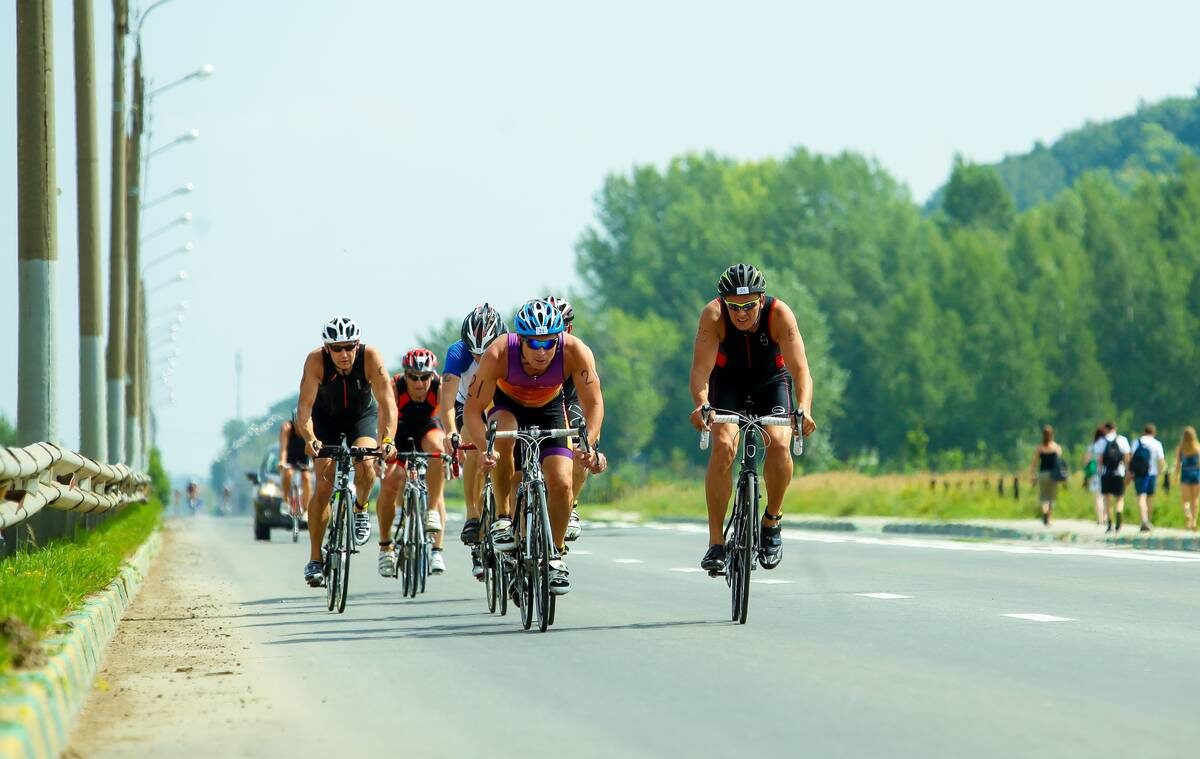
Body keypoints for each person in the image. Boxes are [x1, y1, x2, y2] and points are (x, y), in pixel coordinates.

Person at [465, 299, 608, 596]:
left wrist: (589, 445)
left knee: (562, 480)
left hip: (549, 408)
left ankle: (554, 556)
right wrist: (485, 448)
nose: (542, 352)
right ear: (521, 341)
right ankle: (503, 518)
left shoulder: (574, 351)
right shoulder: (500, 352)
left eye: (548, 343)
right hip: (507, 406)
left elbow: (594, 403)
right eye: (534, 344)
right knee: (504, 435)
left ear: (558, 338)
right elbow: (473, 409)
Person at [688, 264, 816, 573]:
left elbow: (801, 371)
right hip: (728, 383)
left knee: (780, 444)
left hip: (771, 382)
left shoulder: (779, 314)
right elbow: (701, 371)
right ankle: (716, 542)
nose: (741, 313)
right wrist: (702, 404)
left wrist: (805, 409)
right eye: (734, 306)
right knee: (723, 447)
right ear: (725, 303)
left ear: (761, 300)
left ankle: (771, 520)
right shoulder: (713, 316)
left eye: (748, 305)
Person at [296, 316, 397, 587]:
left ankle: (361, 508)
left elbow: (388, 403)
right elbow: (304, 408)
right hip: (324, 419)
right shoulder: (315, 361)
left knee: (365, 463)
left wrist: (388, 438)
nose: (344, 354)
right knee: (324, 486)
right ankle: (316, 558)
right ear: (327, 348)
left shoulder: (370, 357)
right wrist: (310, 438)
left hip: (360, 418)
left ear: (357, 344)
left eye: (349, 347)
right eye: (337, 348)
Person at [440, 303, 507, 578]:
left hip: (499, 403)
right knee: (471, 441)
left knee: (507, 447)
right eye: (475, 352)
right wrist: (449, 431)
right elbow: (446, 403)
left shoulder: (509, 348)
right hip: (466, 404)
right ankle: (473, 514)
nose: (480, 358)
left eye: (485, 351)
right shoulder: (457, 353)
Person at [377, 349, 449, 577]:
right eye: (414, 377)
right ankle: (386, 547)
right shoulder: (394, 386)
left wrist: (452, 447)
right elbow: (384, 418)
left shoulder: (440, 386)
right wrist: (384, 445)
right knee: (391, 481)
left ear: (432, 375)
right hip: (399, 430)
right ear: (405, 375)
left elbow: (448, 417)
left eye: (425, 377)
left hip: (428, 427)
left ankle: (436, 546)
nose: (420, 383)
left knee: (437, 451)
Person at [546, 295, 586, 542]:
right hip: (536, 403)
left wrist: (590, 438)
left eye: (559, 325)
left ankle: (571, 505)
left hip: (567, 401)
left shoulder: (575, 350)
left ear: (569, 328)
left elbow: (591, 398)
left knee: (582, 443)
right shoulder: (530, 347)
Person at [1093, 421, 1131, 533]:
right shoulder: (1122, 440)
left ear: (1105, 429)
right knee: (1120, 497)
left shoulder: (1101, 442)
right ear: (1115, 428)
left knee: (1107, 499)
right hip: (1119, 473)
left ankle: (1110, 523)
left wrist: (1100, 472)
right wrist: (1127, 471)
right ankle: (1119, 513)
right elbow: (1127, 457)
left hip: (1106, 473)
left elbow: (1099, 460)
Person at [1129, 423, 1167, 532]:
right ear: (1154, 433)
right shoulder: (1157, 443)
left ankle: (1144, 520)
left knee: (1141, 496)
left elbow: (1131, 458)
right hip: (1152, 473)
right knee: (1150, 497)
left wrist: (1130, 472)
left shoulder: (1137, 442)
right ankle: (1149, 521)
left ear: (1144, 431)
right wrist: (1161, 472)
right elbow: (1161, 461)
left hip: (1139, 473)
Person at [278, 409, 314, 520]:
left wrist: (314, 463)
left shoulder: (310, 428)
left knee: (306, 477)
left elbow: (314, 446)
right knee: (288, 473)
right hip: (290, 456)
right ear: (293, 421)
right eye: (298, 422)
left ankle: (306, 509)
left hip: (305, 457)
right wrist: (282, 461)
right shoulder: (287, 428)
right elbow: (283, 448)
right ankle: (285, 500)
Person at [1029, 425, 1063, 526]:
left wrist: (1032, 475)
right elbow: (1060, 462)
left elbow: (1034, 463)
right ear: (1052, 434)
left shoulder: (1039, 447)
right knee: (1051, 496)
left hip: (1042, 474)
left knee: (1043, 496)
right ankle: (1049, 517)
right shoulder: (1056, 447)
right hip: (1053, 474)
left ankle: (1044, 513)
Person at [1174, 426, 1200, 531]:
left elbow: (1177, 464)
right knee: (1195, 500)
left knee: (1185, 500)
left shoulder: (1180, 449)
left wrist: (1176, 475)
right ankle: (1194, 521)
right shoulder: (1198, 448)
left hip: (1185, 474)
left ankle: (1188, 515)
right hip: (1196, 474)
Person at [1081, 426, 1105, 525]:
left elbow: (1086, 461)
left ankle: (1100, 519)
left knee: (1097, 497)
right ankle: (1106, 517)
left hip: (1094, 474)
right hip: (1106, 473)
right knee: (1105, 496)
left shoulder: (1093, 446)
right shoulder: (1106, 445)